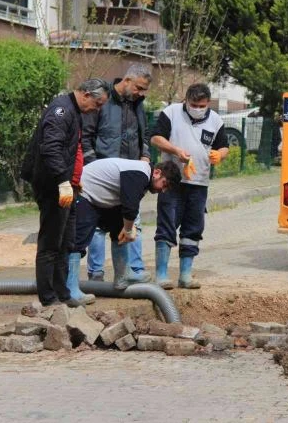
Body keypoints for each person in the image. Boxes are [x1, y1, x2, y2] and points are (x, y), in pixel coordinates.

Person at [21, 78, 110, 307]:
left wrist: (73, 182)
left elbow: (73, 149)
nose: (96, 110)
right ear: (86, 94)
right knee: (51, 243)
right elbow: (51, 147)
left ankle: (63, 294)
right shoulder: (61, 110)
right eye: (97, 104)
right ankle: (48, 299)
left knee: (66, 242)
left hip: (67, 187)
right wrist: (62, 181)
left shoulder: (75, 112)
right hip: (53, 186)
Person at [79, 65, 153, 296]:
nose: (141, 93)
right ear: (127, 80)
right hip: (103, 174)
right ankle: (96, 274)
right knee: (98, 228)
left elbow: (145, 134)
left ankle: (129, 271)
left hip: (129, 175)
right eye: (139, 87)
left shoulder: (137, 104)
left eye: (144, 90)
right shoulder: (103, 100)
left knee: (129, 224)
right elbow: (87, 136)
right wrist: (92, 166)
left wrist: (145, 156)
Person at [150, 83, 229, 289]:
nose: (197, 108)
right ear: (186, 100)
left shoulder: (216, 120)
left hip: (199, 183)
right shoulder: (171, 113)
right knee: (167, 225)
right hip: (172, 181)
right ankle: (161, 275)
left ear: (207, 103)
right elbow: (156, 138)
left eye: (201, 105)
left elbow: (224, 146)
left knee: (193, 229)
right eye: (193, 104)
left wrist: (219, 155)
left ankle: (185, 275)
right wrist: (175, 150)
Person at [72, 159, 181, 290]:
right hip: (85, 192)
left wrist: (128, 227)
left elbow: (127, 207)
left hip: (102, 197)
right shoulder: (140, 173)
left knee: (119, 229)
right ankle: (70, 287)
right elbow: (130, 208)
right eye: (164, 184)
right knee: (78, 240)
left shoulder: (143, 178)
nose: (162, 191)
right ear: (157, 173)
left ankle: (122, 276)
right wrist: (129, 230)